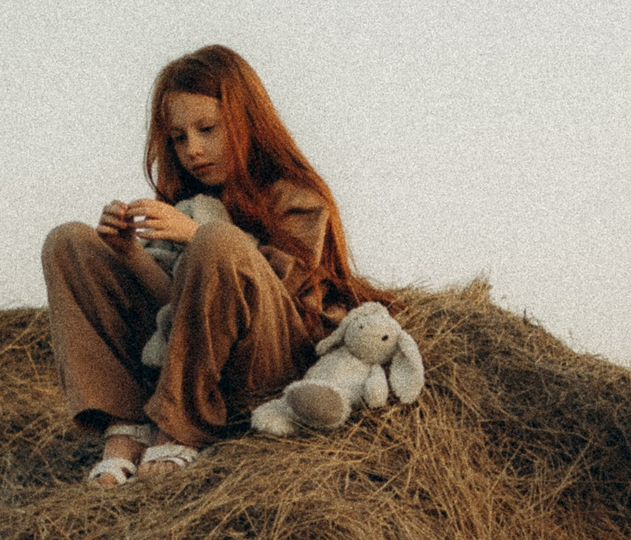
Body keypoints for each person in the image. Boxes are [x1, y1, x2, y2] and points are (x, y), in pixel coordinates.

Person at [42, 44, 386, 484]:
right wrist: (128, 252)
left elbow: (285, 295)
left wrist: (198, 237)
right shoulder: (190, 203)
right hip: (194, 360)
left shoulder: (298, 197)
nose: (193, 149)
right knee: (68, 241)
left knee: (217, 241)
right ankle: (125, 424)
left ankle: (181, 424)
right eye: (179, 137)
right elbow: (182, 308)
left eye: (208, 129)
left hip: (270, 365)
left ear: (247, 122)